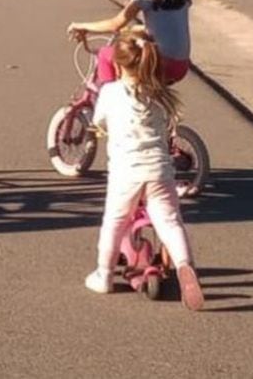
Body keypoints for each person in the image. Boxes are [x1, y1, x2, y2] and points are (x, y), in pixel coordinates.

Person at [84, 29, 204, 310]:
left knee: (114, 222)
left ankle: (104, 275)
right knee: (170, 221)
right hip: (160, 171)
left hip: (127, 173)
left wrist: (103, 128)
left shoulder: (111, 92)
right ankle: (185, 265)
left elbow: (100, 120)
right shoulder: (160, 96)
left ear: (117, 65)